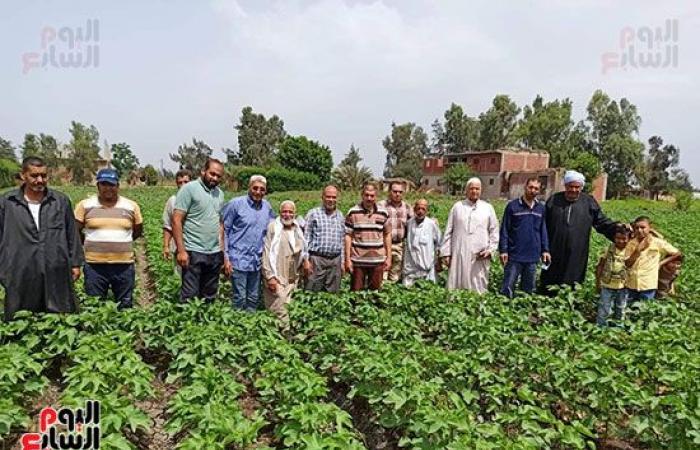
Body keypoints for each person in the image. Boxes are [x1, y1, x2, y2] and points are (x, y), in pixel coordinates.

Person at [1, 157, 84, 321]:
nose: (40, 180)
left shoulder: (60, 201)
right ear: (23, 175)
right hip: (19, 268)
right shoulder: (7, 203)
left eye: (44, 176)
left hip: (55, 265)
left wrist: (75, 263)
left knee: (60, 313)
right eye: (34, 176)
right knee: (21, 315)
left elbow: (71, 234)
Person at [539, 170, 618, 296]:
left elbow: (601, 222)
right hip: (554, 251)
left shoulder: (588, 202)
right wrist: (543, 248)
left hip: (577, 253)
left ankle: (570, 306)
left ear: (581, 187)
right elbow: (542, 225)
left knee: (573, 281)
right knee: (550, 280)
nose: (574, 190)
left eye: (577, 187)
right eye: (571, 186)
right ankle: (544, 307)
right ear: (565, 186)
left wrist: (618, 228)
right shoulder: (554, 200)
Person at [75, 168, 143, 310]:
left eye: (111, 184)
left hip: (124, 265)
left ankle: (123, 331)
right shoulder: (85, 205)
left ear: (118, 186)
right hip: (94, 266)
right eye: (104, 184)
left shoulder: (131, 206)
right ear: (98, 186)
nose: (108, 188)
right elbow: (75, 231)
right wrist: (90, 243)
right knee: (94, 306)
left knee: (125, 307)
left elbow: (137, 231)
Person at [172, 159, 225, 303]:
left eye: (218, 176)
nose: (214, 178)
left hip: (213, 253)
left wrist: (221, 250)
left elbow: (220, 223)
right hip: (193, 251)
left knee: (209, 297)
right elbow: (176, 220)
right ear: (203, 171)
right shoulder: (189, 189)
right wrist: (181, 251)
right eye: (212, 173)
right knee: (190, 296)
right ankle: (189, 325)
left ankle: (205, 325)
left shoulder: (219, 194)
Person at [221, 175, 275, 311]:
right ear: (249, 188)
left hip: (256, 261)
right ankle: (237, 327)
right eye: (255, 188)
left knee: (253, 297)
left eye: (262, 189)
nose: (258, 192)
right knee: (239, 297)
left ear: (265, 191)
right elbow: (224, 231)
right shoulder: (236, 204)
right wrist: (225, 258)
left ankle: (250, 326)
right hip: (237, 259)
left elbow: (275, 226)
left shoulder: (267, 207)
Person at [440, 177, 499, 294]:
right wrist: (446, 253)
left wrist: (490, 250)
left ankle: (477, 310)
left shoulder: (488, 208)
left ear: (481, 190)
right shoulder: (457, 207)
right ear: (466, 190)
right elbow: (448, 231)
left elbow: (494, 232)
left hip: (479, 256)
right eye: (472, 188)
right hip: (459, 254)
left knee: (478, 286)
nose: (474, 191)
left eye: (477, 189)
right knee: (456, 286)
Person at [498, 178, 551, 297]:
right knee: (508, 288)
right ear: (525, 187)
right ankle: (505, 311)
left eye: (536, 188)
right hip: (514, 255)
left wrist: (545, 250)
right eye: (530, 187)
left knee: (528, 290)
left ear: (539, 191)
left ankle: (524, 312)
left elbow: (543, 230)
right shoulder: (513, 206)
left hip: (532, 256)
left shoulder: (541, 208)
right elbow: (505, 229)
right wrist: (503, 250)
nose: (533, 190)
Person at [261, 201, 306, 328]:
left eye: (290, 212)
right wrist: (270, 277)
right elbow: (267, 252)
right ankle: (277, 339)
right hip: (276, 276)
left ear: (295, 214)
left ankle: (286, 338)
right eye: (284, 212)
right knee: (278, 308)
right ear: (280, 213)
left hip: (291, 276)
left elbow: (301, 251)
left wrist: (305, 262)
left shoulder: (297, 229)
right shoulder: (273, 228)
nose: (287, 214)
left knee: (289, 306)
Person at [344, 181, 391, 291]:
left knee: (375, 292)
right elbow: (348, 236)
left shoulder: (383, 213)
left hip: (377, 260)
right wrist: (347, 259)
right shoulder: (353, 212)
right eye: (366, 195)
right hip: (358, 260)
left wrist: (389, 258)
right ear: (362, 195)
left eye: (372, 195)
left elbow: (387, 235)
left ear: (376, 196)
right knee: (356, 292)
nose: (369, 198)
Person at [624, 216, 681, 302]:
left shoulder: (657, 242)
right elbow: (627, 264)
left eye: (643, 227)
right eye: (637, 228)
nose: (639, 230)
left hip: (648, 284)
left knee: (645, 310)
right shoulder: (630, 243)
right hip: (631, 284)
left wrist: (661, 263)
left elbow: (677, 253)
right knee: (629, 309)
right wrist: (637, 251)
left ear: (650, 228)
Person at [303, 185, 345, 293]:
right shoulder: (313, 214)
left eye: (334, 197)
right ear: (322, 197)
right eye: (328, 197)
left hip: (335, 261)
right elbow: (306, 239)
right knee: (312, 292)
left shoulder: (340, 216)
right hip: (317, 260)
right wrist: (306, 260)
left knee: (332, 294)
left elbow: (342, 240)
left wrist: (343, 262)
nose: (331, 200)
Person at [595, 224, 631, 326]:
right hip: (607, 284)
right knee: (604, 308)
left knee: (621, 308)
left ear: (629, 238)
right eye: (618, 238)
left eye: (624, 238)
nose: (620, 241)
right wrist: (598, 282)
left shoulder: (630, 250)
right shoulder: (609, 249)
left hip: (623, 285)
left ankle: (618, 328)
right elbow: (600, 265)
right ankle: (601, 328)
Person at [378, 181, 413, 282]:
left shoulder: (407, 207)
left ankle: (391, 295)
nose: (397, 194)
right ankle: (381, 296)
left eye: (400, 192)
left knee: (395, 276)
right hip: (383, 245)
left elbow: (414, 223)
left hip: (399, 245)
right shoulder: (381, 205)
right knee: (382, 275)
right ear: (389, 192)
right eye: (395, 191)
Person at [402, 199, 442, 287]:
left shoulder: (431, 224)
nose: (420, 211)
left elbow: (439, 244)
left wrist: (438, 261)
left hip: (427, 266)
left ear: (427, 211)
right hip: (411, 267)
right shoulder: (409, 223)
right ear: (414, 209)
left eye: (423, 209)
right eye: (418, 208)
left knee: (428, 291)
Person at [162, 169, 192, 274]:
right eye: (180, 182)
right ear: (176, 184)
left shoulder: (197, 199)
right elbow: (167, 225)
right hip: (178, 249)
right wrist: (166, 246)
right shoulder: (173, 201)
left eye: (186, 182)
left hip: (197, 248)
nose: (183, 185)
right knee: (179, 278)